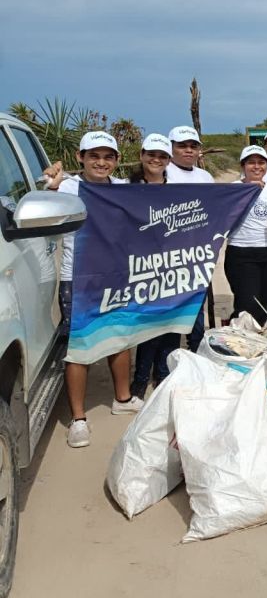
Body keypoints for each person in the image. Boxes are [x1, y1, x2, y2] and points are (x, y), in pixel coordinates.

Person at [59, 131, 142, 447]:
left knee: (120, 339)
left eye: (108, 157)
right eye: (94, 156)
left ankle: (122, 397)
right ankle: (79, 419)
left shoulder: (123, 189)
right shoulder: (67, 187)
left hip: (117, 275)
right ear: (80, 157)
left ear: (117, 161)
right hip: (78, 278)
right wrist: (51, 180)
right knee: (79, 347)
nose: (101, 162)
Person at [128, 134, 179, 400]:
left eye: (162, 156)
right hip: (142, 267)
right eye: (151, 154)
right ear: (142, 155)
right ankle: (140, 379)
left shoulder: (176, 190)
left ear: (168, 160)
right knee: (148, 325)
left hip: (174, 264)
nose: (156, 160)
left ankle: (163, 373)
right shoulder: (126, 189)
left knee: (171, 322)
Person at [225, 146, 267, 324]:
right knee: (247, 305)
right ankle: (240, 343)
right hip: (242, 252)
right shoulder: (232, 189)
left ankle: (260, 344)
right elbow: (224, 218)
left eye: (261, 162)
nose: (257, 167)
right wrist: (247, 191)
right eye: (251, 162)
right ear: (243, 165)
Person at [165, 125, 214, 351]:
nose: (188, 151)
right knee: (170, 312)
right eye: (182, 146)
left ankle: (195, 353)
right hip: (167, 255)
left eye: (193, 146)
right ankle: (167, 360)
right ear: (171, 147)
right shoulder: (162, 172)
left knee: (196, 308)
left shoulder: (205, 177)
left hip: (199, 254)